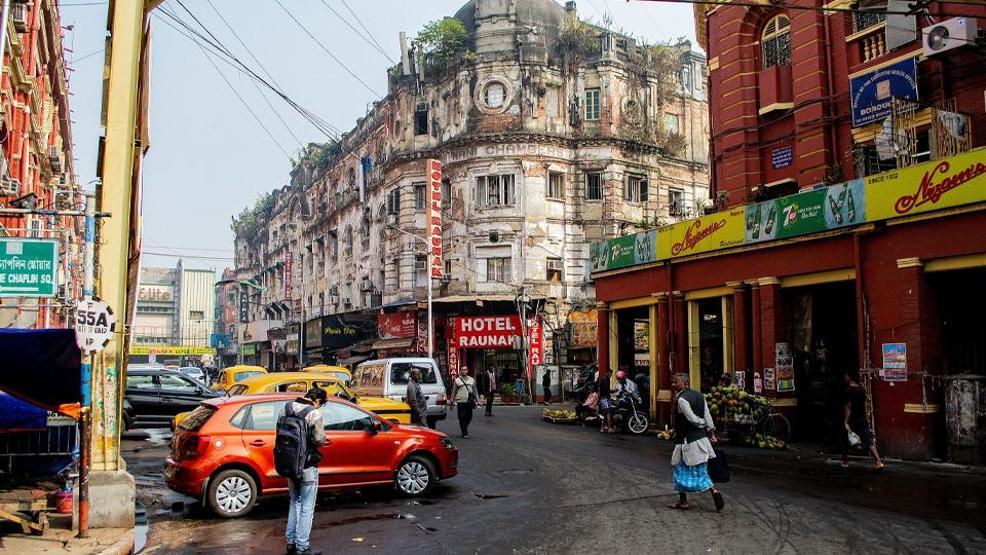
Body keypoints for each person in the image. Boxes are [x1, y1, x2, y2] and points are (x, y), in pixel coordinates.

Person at [669, 373, 724, 512]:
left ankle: (685, 500)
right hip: (701, 439)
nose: (674, 385)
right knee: (700, 469)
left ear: (684, 383)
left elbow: (691, 418)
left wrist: (701, 423)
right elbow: (707, 414)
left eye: (676, 382)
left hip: (687, 440)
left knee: (679, 468)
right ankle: (712, 492)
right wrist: (710, 430)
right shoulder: (700, 396)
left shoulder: (681, 399)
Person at [284, 387, 327, 555]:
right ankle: (303, 546)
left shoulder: (287, 407)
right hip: (307, 465)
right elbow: (319, 439)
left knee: (294, 501)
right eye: (321, 404)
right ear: (317, 401)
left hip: (289, 462)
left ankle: (290, 542)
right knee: (307, 506)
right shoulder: (314, 414)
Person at [841, 371, 885, 470]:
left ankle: (845, 461)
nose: (845, 377)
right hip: (861, 417)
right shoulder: (861, 389)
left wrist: (846, 421)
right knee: (868, 438)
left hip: (853, 418)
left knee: (844, 436)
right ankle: (878, 461)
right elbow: (865, 405)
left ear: (849, 377)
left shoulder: (848, 390)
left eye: (846, 375)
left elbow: (848, 406)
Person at [451, 367, 477, 438]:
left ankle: (464, 427)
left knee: (469, 416)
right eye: (462, 370)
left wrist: (478, 400)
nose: (464, 371)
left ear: (467, 371)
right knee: (461, 417)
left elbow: (475, 391)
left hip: (469, 401)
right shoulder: (457, 380)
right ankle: (465, 433)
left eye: (465, 370)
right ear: (460, 371)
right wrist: (451, 401)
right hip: (460, 401)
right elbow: (454, 392)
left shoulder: (472, 380)